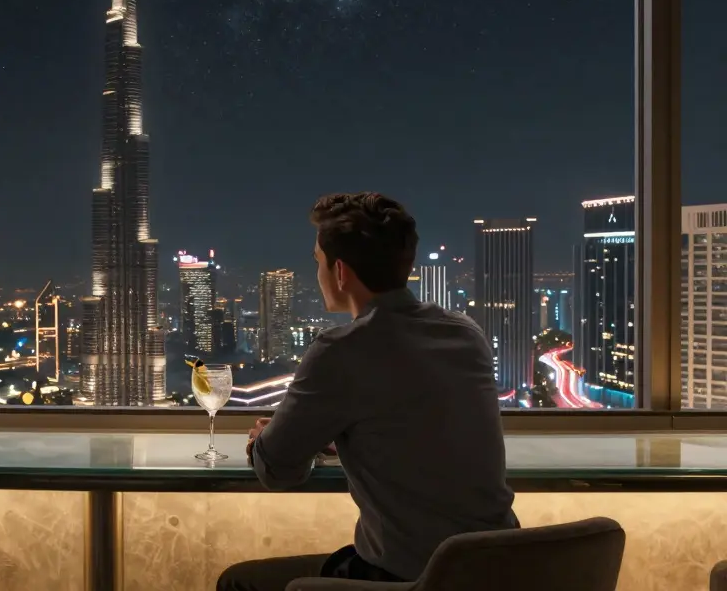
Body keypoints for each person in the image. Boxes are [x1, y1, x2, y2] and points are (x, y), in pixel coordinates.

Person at [218, 192, 518, 591]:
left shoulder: (340, 349)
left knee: (239, 582)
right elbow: (418, 422)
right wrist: (349, 440)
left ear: (339, 272)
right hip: (505, 568)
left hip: (413, 578)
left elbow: (277, 471)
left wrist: (263, 441)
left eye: (318, 263)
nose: (318, 273)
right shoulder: (465, 332)